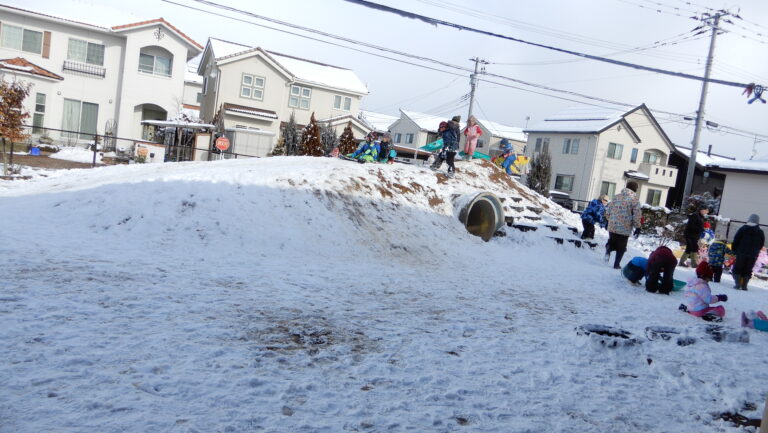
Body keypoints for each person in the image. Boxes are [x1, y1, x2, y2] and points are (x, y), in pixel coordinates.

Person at [604, 181, 642, 269]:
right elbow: (637, 215)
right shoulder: (634, 200)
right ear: (634, 189)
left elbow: (608, 211)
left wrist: (609, 221)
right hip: (624, 228)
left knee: (612, 241)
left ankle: (608, 248)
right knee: (621, 247)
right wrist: (638, 227)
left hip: (612, 225)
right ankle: (616, 264)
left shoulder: (616, 197)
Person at [731, 214, 765, 290]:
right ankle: (744, 285)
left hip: (741, 252)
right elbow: (761, 243)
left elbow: (736, 240)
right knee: (748, 269)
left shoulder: (743, 229)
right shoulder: (760, 232)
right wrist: (756, 250)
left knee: (738, 268)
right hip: (753, 254)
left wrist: (734, 249)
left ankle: (737, 284)